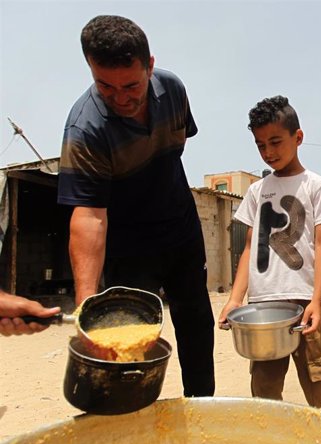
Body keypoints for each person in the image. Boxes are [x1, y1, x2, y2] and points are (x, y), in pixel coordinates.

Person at [57, 15, 214, 396]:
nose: (121, 97)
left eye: (131, 85)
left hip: (181, 228)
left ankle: (204, 407)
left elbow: (176, 148)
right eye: (105, 86)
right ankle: (135, 421)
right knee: (129, 340)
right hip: (129, 246)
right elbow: (90, 217)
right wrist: (86, 308)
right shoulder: (85, 128)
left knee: (196, 323)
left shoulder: (173, 89)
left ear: (150, 66)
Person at [218, 96, 321, 412]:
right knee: (265, 386)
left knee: (318, 380)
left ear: (298, 138)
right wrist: (235, 298)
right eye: (260, 145)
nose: (269, 152)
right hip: (262, 305)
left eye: (275, 141)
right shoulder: (258, 190)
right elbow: (248, 248)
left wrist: (316, 300)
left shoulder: (316, 185)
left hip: (303, 301)